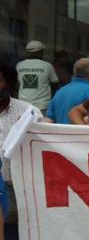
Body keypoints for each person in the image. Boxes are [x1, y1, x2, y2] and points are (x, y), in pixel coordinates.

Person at [0, 62, 43, 236]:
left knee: (16, 231)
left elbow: (45, 140)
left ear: (9, 83)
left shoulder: (27, 112)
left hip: (17, 187)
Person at [46, 58, 89, 124]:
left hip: (59, 133)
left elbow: (48, 120)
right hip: (79, 133)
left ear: (74, 72)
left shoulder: (60, 91)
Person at [16, 40, 59, 113]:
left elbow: (16, 84)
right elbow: (56, 82)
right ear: (39, 52)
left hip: (23, 105)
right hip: (42, 106)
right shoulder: (47, 66)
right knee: (41, 125)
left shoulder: (19, 65)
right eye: (42, 51)